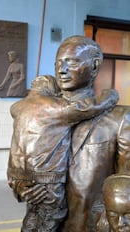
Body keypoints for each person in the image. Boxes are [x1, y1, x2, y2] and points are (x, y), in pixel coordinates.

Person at [18, 35, 130, 231]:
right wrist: (22, 187)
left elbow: (125, 186)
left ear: (95, 66)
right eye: (58, 63)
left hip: (90, 225)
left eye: (72, 62)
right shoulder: (38, 116)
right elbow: (20, 159)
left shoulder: (119, 119)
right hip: (45, 223)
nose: (62, 70)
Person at [8, 74, 118, 231]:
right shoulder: (56, 107)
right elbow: (91, 107)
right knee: (50, 217)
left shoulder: (17, 107)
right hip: (45, 176)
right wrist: (111, 95)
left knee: (34, 214)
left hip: (16, 174)